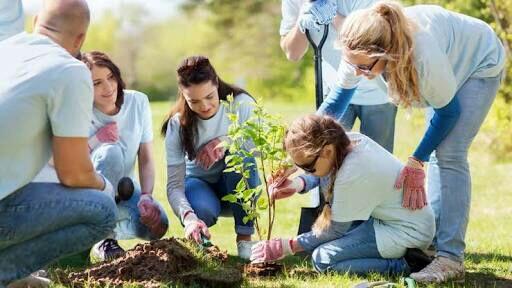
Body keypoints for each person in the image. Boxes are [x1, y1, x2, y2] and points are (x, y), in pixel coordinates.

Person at [317, 1, 506, 283]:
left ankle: (450, 258)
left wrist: (416, 160)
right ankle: (429, 246)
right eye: (353, 65)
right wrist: (303, 140)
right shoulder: (358, 49)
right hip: (445, 64)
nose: (358, 73)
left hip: (478, 63)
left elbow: (448, 113)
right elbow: (337, 100)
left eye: (365, 67)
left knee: (449, 153)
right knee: (438, 152)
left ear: (386, 53)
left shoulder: (423, 56)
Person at [0, 1, 117, 287]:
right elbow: (73, 173)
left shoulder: (5, 50)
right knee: (102, 210)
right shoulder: (70, 71)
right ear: (80, 39)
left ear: (36, 20)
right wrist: (107, 186)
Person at [250, 114, 435, 276]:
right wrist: (298, 184)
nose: (305, 171)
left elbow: (335, 230)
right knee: (326, 250)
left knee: (323, 259)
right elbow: (325, 170)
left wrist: (286, 246)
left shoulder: (352, 172)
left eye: (308, 167)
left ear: (326, 151)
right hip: (391, 220)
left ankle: (407, 264)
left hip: (406, 232)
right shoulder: (347, 143)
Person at [162, 56, 260, 260]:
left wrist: (226, 141)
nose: (205, 106)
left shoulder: (240, 103)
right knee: (202, 210)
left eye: (209, 96)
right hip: (200, 186)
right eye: (194, 101)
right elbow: (174, 186)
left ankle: (244, 240)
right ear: (183, 96)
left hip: (237, 188)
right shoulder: (178, 124)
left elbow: (261, 149)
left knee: (241, 157)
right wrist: (188, 218)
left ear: (216, 83)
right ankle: (201, 241)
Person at [82, 51, 169, 260]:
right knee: (111, 152)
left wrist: (147, 196)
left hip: (125, 191)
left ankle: (99, 232)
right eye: (97, 83)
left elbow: (146, 157)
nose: (109, 87)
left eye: (111, 77)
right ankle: (105, 237)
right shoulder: (80, 111)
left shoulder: (138, 102)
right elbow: (70, 160)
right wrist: (97, 139)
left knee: (158, 226)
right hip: (90, 196)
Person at [280, 0, 397, 152]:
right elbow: (292, 53)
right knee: (330, 158)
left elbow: (367, 40)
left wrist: (333, 15)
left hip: (376, 90)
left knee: (379, 159)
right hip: (335, 88)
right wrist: (301, 23)